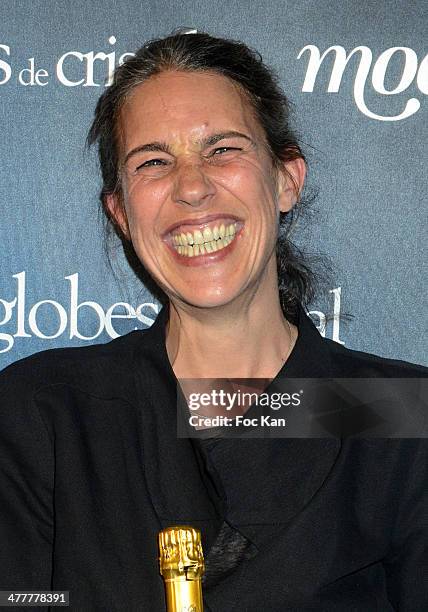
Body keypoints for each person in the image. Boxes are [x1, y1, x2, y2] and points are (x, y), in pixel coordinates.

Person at [0, 32, 426, 612]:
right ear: (122, 213)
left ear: (285, 179)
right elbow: (22, 599)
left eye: (223, 150)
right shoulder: (42, 415)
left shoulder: (402, 417)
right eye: (153, 161)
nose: (193, 187)